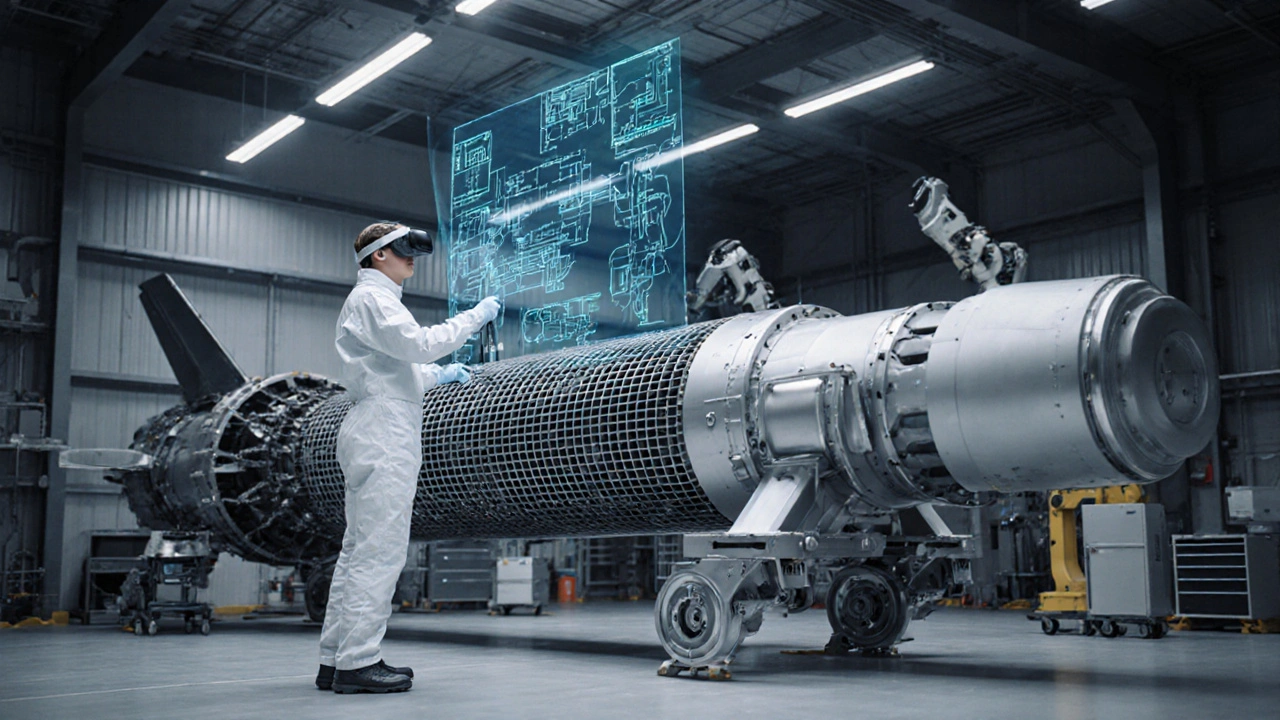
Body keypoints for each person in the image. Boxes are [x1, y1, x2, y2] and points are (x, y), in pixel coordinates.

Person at [316, 222, 500, 694]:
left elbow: (399, 370)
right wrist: (475, 317)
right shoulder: (373, 299)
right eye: (402, 250)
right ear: (378, 256)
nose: (411, 259)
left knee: (357, 551)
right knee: (380, 551)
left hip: (373, 423)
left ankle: (335, 660)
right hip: (384, 432)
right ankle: (359, 663)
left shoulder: (375, 302)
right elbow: (419, 345)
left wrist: (441, 375)